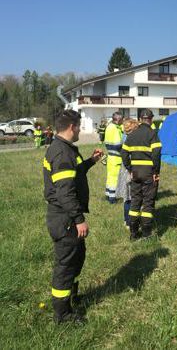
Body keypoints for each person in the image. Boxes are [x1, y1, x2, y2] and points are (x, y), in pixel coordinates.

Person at [43, 109, 102, 323]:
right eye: (79, 126)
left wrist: (91, 161)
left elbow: (74, 173)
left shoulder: (65, 149)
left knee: (77, 258)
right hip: (65, 218)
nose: (79, 130)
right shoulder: (62, 153)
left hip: (66, 217)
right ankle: (63, 314)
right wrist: (79, 220)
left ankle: (71, 296)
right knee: (66, 265)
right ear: (71, 127)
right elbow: (65, 192)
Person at [122, 109, 161, 241]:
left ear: (140, 119)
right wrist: (156, 172)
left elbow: (124, 153)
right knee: (148, 202)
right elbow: (156, 154)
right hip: (149, 172)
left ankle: (133, 234)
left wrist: (129, 168)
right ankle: (146, 234)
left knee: (135, 202)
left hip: (136, 172)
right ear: (150, 119)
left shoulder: (131, 135)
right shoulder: (152, 133)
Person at [117, 119, 139, 228]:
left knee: (127, 197)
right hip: (129, 170)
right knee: (130, 197)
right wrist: (131, 170)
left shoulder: (124, 137)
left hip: (124, 169)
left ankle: (126, 220)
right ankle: (129, 221)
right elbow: (127, 156)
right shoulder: (130, 139)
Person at [102, 112, 124, 203]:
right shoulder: (115, 129)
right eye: (121, 120)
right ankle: (112, 198)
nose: (122, 122)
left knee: (110, 177)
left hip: (110, 156)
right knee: (115, 178)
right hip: (116, 157)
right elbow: (118, 144)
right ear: (118, 119)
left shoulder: (109, 127)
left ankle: (108, 194)